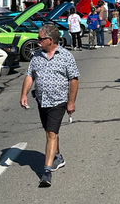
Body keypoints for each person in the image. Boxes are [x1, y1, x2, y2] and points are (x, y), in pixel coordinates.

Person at [20, 23, 79, 188]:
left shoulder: (65, 56)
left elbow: (73, 79)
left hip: (58, 101)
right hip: (41, 100)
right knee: (50, 131)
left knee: (51, 133)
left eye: (40, 38)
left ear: (50, 40)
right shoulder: (37, 56)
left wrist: (71, 101)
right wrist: (24, 94)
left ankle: (46, 171)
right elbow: (30, 75)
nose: (38, 41)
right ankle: (58, 156)